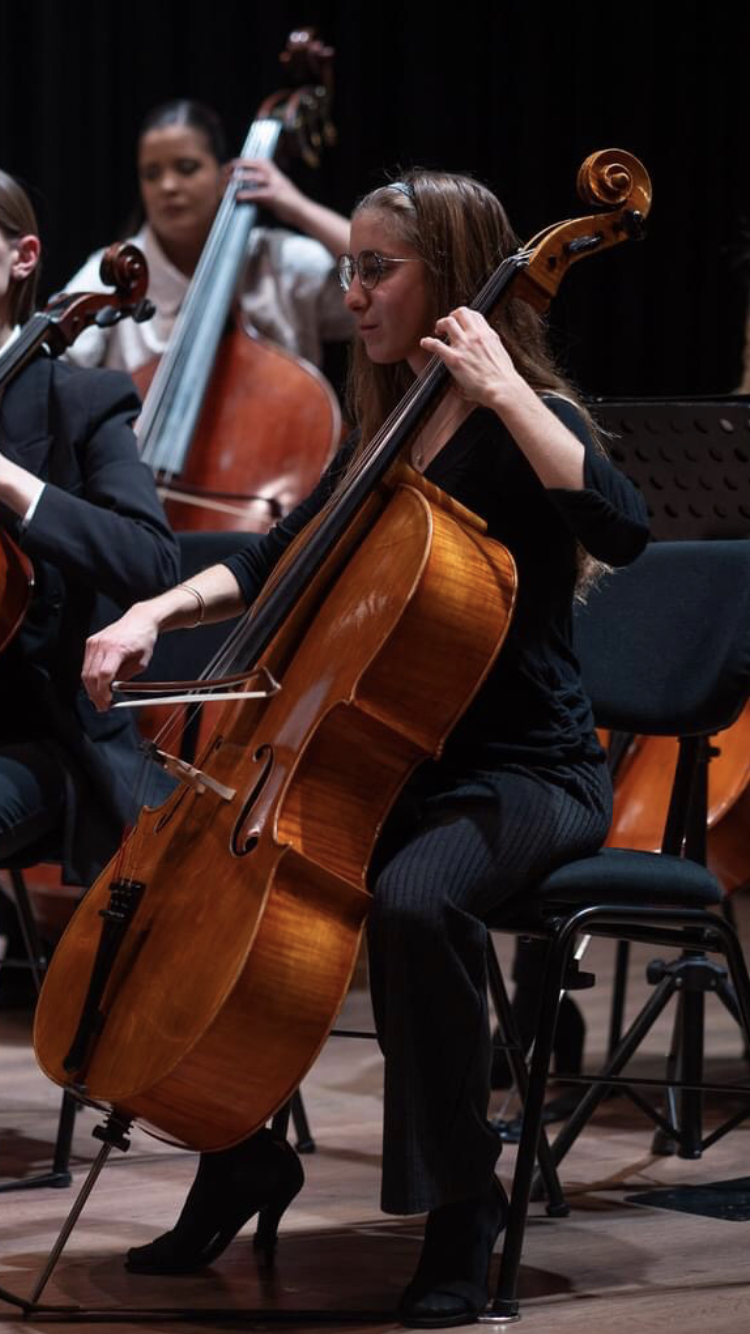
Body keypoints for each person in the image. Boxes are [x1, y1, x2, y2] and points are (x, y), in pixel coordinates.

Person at [82, 169, 650, 1327]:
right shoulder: (388, 426)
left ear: (449, 273)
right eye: (350, 266)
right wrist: (151, 613)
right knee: (238, 903)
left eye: (375, 268)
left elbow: (623, 524)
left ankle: (463, 1205)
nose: (354, 290)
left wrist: (504, 390)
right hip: (399, 764)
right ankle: (235, 1146)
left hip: (528, 774)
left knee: (411, 902)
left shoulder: (512, 420)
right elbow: (277, 556)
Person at [0, 170, 179, 912]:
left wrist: (14, 484)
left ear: (23, 255)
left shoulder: (81, 402)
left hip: (30, 737)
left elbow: (152, 558)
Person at [63, 99, 352, 375]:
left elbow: (381, 281)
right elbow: (53, 363)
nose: (167, 186)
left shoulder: (277, 258)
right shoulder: (115, 270)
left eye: (187, 168)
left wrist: (298, 207)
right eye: (151, 174)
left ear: (223, 174)